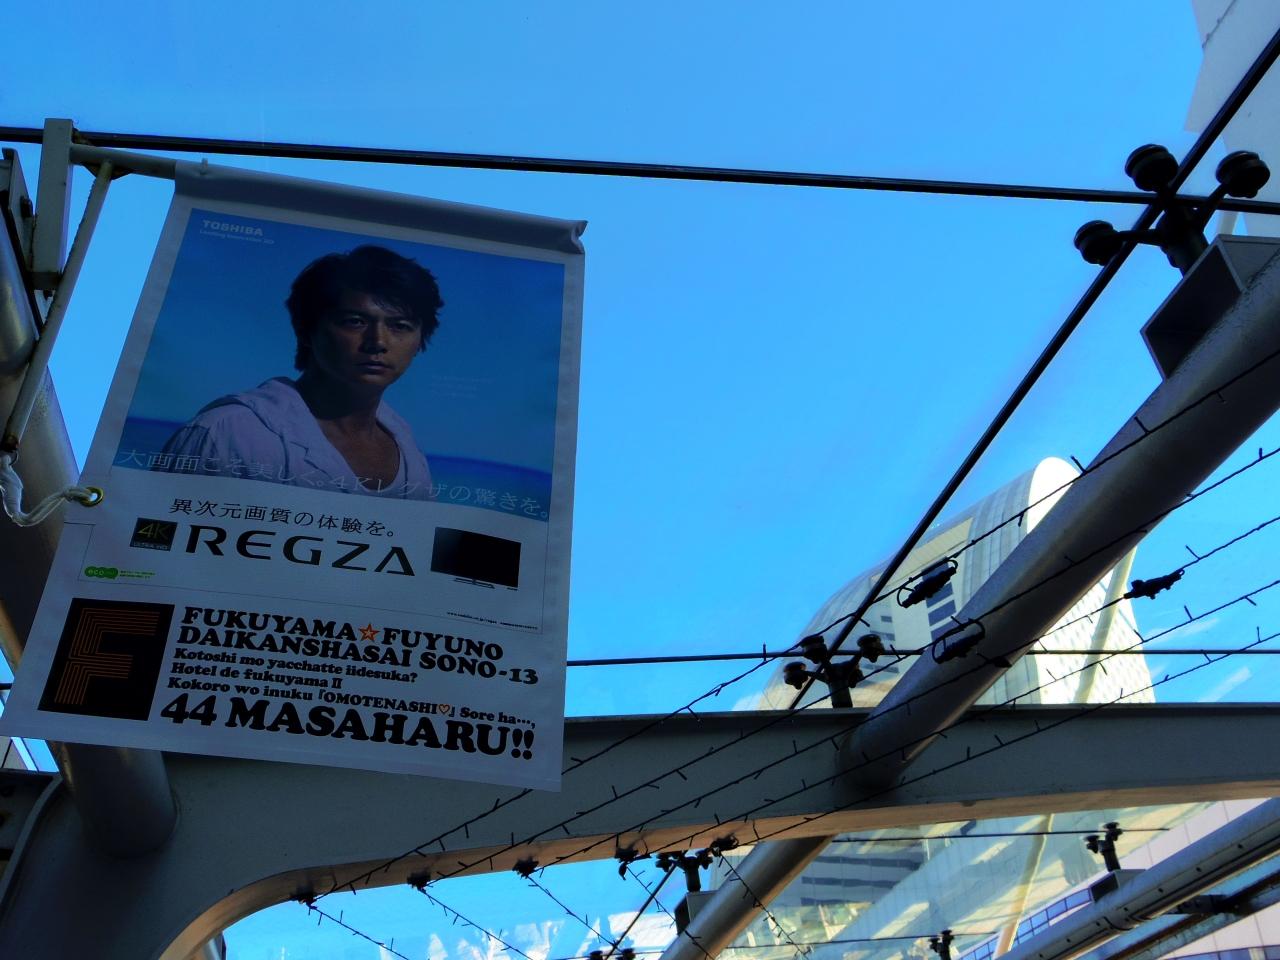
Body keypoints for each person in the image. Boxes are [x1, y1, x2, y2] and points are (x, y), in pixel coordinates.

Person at [160, 245, 443, 499]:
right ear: (306, 329)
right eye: (355, 321)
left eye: (400, 326)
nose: (378, 342)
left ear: (420, 340)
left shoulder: (408, 451)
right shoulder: (229, 432)